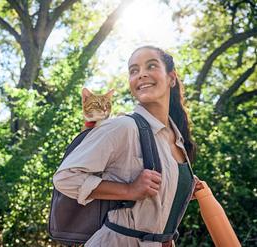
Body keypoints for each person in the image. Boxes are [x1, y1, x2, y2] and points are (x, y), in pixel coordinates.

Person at [53, 46, 203, 247]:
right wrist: (129, 190)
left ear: (171, 78)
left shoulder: (177, 139)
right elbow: (65, 178)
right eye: (134, 70)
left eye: (151, 66)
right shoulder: (123, 127)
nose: (141, 74)